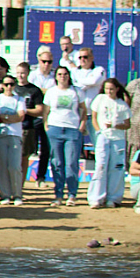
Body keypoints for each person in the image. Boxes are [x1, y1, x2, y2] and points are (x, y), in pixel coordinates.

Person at [42, 68, 86, 206]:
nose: (62, 77)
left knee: (71, 162)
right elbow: (46, 110)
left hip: (72, 129)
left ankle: (72, 194)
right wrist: (46, 126)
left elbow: (84, 109)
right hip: (55, 128)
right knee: (57, 163)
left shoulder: (76, 91)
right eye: (60, 74)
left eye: (65, 74)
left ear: (69, 76)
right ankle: (58, 195)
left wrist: (82, 125)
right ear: (56, 77)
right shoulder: (51, 92)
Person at [87, 79, 131, 208]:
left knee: (116, 167)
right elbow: (94, 117)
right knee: (100, 165)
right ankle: (96, 197)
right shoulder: (100, 99)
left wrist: (116, 125)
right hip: (103, 136)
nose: (109, 91)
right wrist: (98, 131)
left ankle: (113, 197)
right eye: (106, 89)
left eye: (111, 89)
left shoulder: (122, 104)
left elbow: (127, 124)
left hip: (117, 139)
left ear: (117, 89)